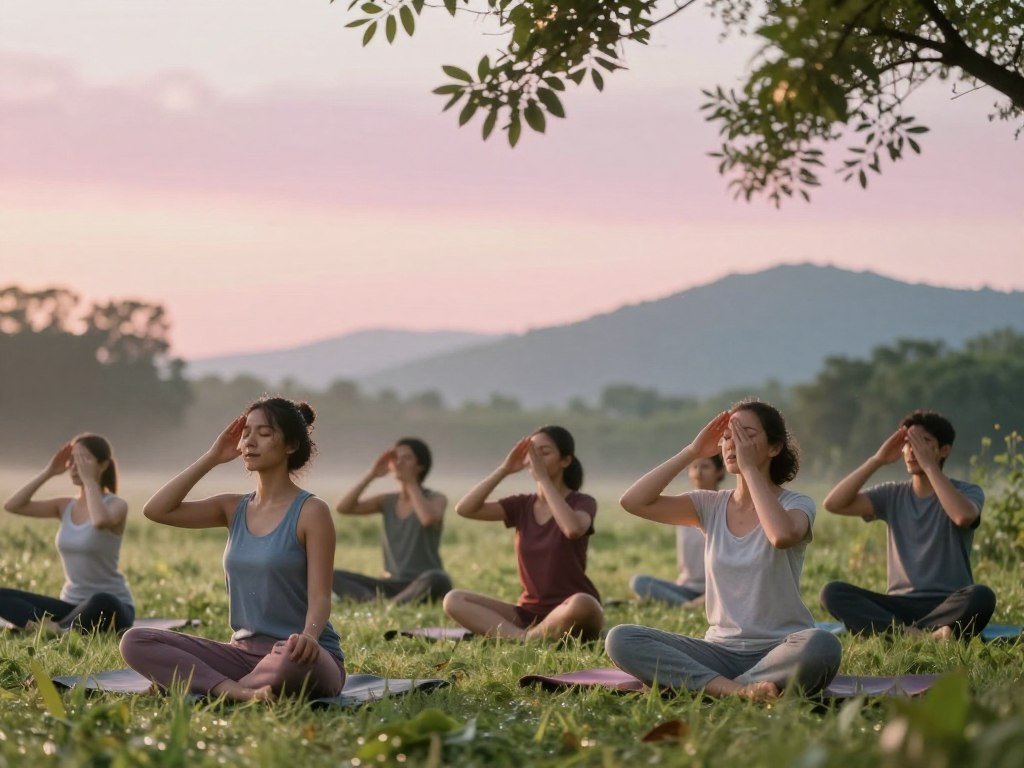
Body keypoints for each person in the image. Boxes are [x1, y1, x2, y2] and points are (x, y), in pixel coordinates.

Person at [606, 402, 842, 701]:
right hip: (718, 651)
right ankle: (739, 691)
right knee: (622, 638)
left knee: (822, 645)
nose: (734, 444)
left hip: (782, 649)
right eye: (728, 437)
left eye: (746, 435)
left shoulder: (797, 503)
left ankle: (708, 685)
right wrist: (692, 451)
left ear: (773, 448)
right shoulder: (710, 505)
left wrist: (749, 470)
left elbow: (781, 535)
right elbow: (634, 502)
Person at [119, 397, 344, 701]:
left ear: (290, 445)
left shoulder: (312, 512)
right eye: (246, 433)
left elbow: (320, 597)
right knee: (135, 640)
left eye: (264, 434)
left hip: (301, 655)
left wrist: (309, 637)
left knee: (290, 659)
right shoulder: (232, 507)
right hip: (241, 654)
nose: (250, 442)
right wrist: (212, 457)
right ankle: (236, 690)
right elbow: (157, 510)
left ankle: (212, 685)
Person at [820, 409, 995, 640]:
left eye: (923, 443)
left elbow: (962, 517)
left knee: (982, 596)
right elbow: (834, 504)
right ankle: (921, 635)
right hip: (899, 605)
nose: (913, 451)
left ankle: (901, 634)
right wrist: (877, 460)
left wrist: (930, 467)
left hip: (949, 603)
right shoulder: (892, 494)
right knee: (832, 592)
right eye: (908, 444)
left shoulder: (967, 491)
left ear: (944, 450)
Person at [443, 426, 604, 641]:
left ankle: (531, 636)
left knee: (585, 604)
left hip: (570, 610)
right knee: (454, 599)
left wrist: (543, 480)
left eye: (544, 453)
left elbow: (572, 529)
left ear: (565, 461)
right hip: (528, 613)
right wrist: (505, 469)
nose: (536, 459)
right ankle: (523, 638)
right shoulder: (521, 505)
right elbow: (465, 509)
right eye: (532, 452)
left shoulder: (582, 502)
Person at [1, 435, 135, 633]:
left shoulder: (116, 505)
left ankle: (51, 629)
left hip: (112, 607)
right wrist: (49, 472)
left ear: (103, 464)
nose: (74, 466)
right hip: (70, 605)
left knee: (102, 600)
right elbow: (13, 506)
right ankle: (57, 629)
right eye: (72, 460)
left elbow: (99, 521)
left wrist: (90, 480)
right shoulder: (65, 506)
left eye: (83, 460)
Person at [331, 438, 452, 605]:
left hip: (422, 582)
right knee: (330, 575)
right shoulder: (387, 501)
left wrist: (410, 482)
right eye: (396, 458)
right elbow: (344, 508)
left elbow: (427, 518)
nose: (400, 462)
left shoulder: (436, 498)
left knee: (439, 578)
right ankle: (380, 602)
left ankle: (388, 605)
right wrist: (372, 474)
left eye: (407, 458)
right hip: (390, 583)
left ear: (421, 466)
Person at [629, 455, 725, 608]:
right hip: (685, 588)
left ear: (720, 471)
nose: (698, 472)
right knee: (639, 582)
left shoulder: (726, 507)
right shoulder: (683, 507)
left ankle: (686, 605)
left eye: (705, 467)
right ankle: (685, 605)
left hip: (717, 590)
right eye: (694, 467)